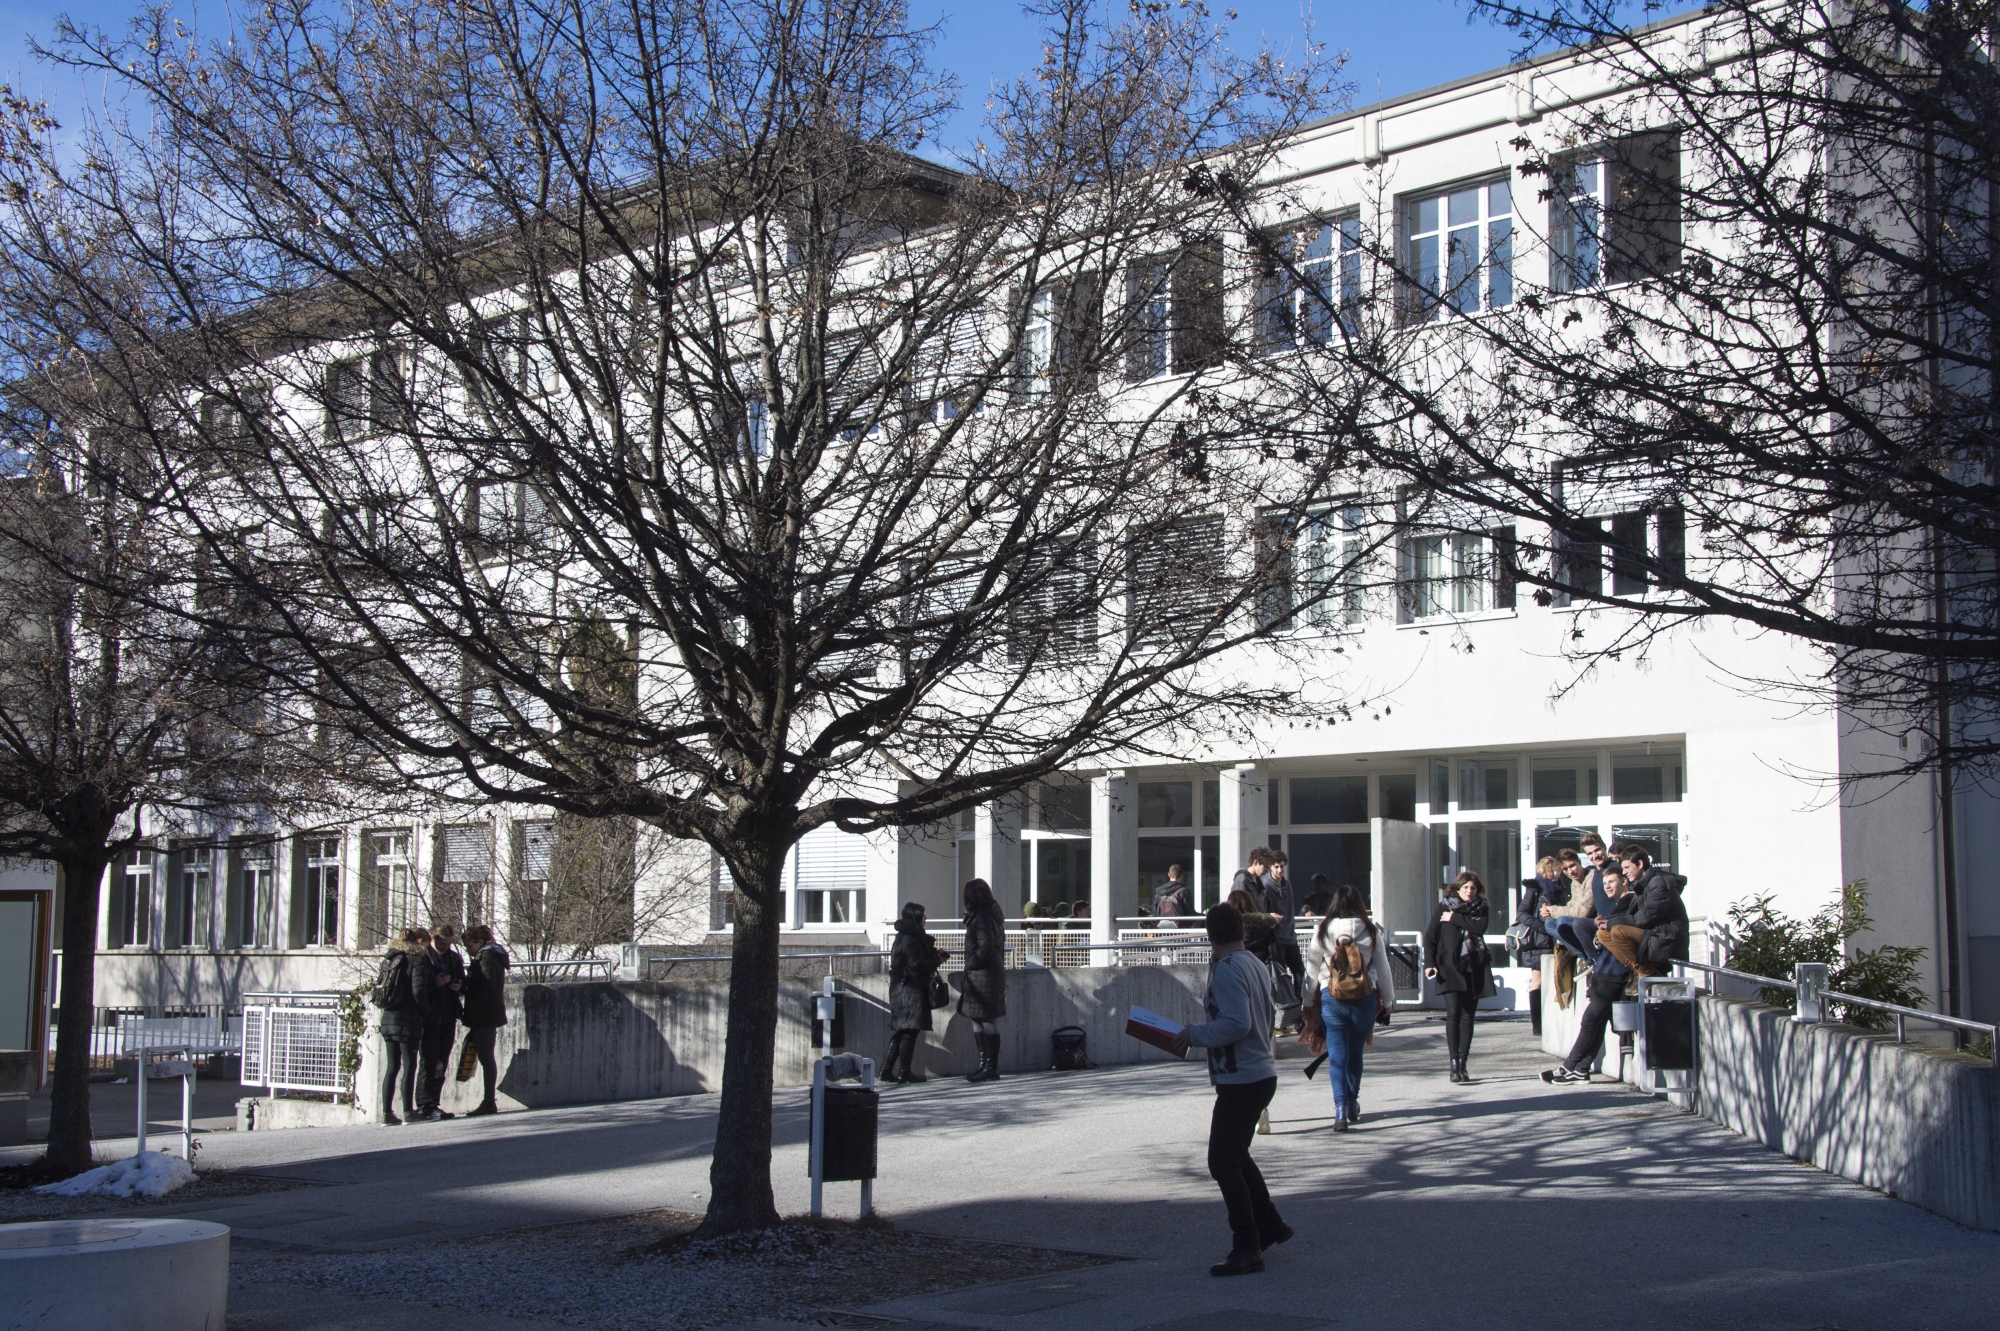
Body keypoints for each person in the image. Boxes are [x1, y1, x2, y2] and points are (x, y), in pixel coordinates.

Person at [1172, 902, 1293, 1277]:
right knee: (1236, 1154)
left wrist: (1194, 1034)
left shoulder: (1226, 969)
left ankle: (1247, 1245)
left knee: (1222, 1160)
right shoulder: (1254, 963)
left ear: (1209, 935)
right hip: (1260, 1072)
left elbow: (1236, 1024)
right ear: (1241, 930)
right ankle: (1269, 1224)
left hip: (1243, 1076)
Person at [1304, 883, 1396, 1130]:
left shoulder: (1323, 930)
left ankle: (1340, 1108)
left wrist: (1306, 1001)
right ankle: (1353, 1100)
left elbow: (1311, 969)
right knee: (1355, 1052)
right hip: (1365, 999)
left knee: (1337, 1055)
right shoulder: (1370, 930)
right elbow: (1384, 970)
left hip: (1332, 999)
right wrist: (1387, 1001)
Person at [1543, 866, 1640, 1083]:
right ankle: (1582, 1068)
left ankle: (1568, 1067)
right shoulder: (1616, 906)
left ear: (1624, 881)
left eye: (1612, 882)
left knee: (1590, 1021)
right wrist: (1597, 938)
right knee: (1597, 1021)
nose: (1607, 887)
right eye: (1604, 884)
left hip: (1614, 973)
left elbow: (1627, 936)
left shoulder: (1630, 902)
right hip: (1607, 970)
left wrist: (1602, 935)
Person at [1424, 871, 1492, 1083]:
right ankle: (1454, 1063)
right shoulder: (1445, 905)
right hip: (1448, 965)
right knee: (1453, 1012)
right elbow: (1431, 935)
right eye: (1465, 888)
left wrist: (1455, 918)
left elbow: (1480, 927)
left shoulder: (1482, 907)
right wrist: (1430, 963)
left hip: (1473, 965)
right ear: (1457, 889)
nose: (1469, 892)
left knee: (1468, 1016)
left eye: (1473, 888)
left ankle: (1463, 1062)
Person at [1598, 844, 1690, 978]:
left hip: (1667, 939)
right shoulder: (1644, 884)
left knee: (1618, 931)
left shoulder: (1658, 883)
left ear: (1640, 864)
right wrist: (1607, 921)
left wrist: (1612, 923)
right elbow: (1633, 915)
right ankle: (1638, 971)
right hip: (1655, 934)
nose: (1623, 872)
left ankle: (1647, 972)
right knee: (1603, 933)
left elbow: (1645, 918)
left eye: (1627, 867)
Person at [886, 902, 948, 1083]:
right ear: (915, 917)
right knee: (909, 1031)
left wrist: (934, 955)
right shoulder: (910, 938)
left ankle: (887, 1069)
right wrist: (936, 960)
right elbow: (917, 965)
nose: (925, 919)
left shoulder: (908, 936)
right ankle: (904, 1072)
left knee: (904, 1030)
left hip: (904, 988)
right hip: (909, 990)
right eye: (923, 915)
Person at [375, 926, 430, 1126]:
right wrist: (425, 1012)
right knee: (409, 1065)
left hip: (389, 1016)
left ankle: (387, 1113)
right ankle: (408, 1111)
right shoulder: (417, 960)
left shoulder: (389, 959)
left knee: (392, 1067)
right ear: (417, 942)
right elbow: (418, 992)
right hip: (408, 1019)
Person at [457, 923, 509, 1117]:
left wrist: (466, 990)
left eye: (469, 946)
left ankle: (489, 1101)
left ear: (479, 942)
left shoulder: (486, 956)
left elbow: (486, 985)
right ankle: (488, 1101)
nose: (468, 950)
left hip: (484, 1013)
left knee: (487, 1057)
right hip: (487, 1012)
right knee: (486, 1056)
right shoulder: (491, 954)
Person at [958, 878, 1007, 1082]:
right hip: (984, 974)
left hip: (984, 974)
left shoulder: (983, 918)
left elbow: (985, 948)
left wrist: (971, 963)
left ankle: (989, 1066)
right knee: (978, 1018)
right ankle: (985, 1065)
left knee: (986, 1018)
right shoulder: (984, 916)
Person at [416, 923, 465, 1121]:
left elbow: (463, 981)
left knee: (441, 1062)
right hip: (429, 1017)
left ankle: (433, 1103)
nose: (444, 946)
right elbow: (417, 987)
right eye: (440, 942)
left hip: (448, 1014)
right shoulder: (422, 957)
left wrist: (458, 986)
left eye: (448, 943)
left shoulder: (454, 958)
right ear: (432, 937)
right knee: (428, 1062)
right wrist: (434, 984)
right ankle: (424, 1105)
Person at [1515, 857, 1564, 1035]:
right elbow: (1522, 914)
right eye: (1550, 870)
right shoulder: (1535, 888)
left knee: (1555, 980)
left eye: (1557, 869)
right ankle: (1538, 1025)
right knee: (1538, 982)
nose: (1554, 873)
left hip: (1557, 940)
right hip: (1539, 942)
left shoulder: (1562, 888)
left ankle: (1550, 1021)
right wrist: (1544, 928)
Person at [1261, 851, 1306, 1001]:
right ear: (1270, 868)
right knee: (1279, 976)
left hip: (1289, 936)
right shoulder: (1266, 886)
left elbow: (1291, 908)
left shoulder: (1287, 885)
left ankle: (1299, 1010)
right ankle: (1282, 1012)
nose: (1280, 870)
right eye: (1276, 867)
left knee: (1300, 972)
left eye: (1282, 867)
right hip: (1275, 938)